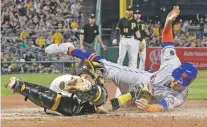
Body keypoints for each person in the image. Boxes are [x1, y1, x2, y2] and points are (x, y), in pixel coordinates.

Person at [45, 6, 198, 112]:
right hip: (140, 79)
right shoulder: (173, 63)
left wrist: (148, 107)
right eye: (177, 78)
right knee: (102, 65)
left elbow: (161, 107)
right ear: (176, 71)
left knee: (105, 109)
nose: (177, 83)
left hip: (141, 99)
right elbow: (167, 41)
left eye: (181, 83)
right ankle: (69, 48)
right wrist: (168, 23)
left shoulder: (179, 95)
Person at [5, 60, 108, 116]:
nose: (101, 75)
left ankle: (20, 86)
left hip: (62, 92)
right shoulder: (88, 78)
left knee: (75, 107)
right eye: (100, 72)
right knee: (95, 95)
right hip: (67, 84)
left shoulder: (84, 73)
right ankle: (20, 86)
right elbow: (100, 105)